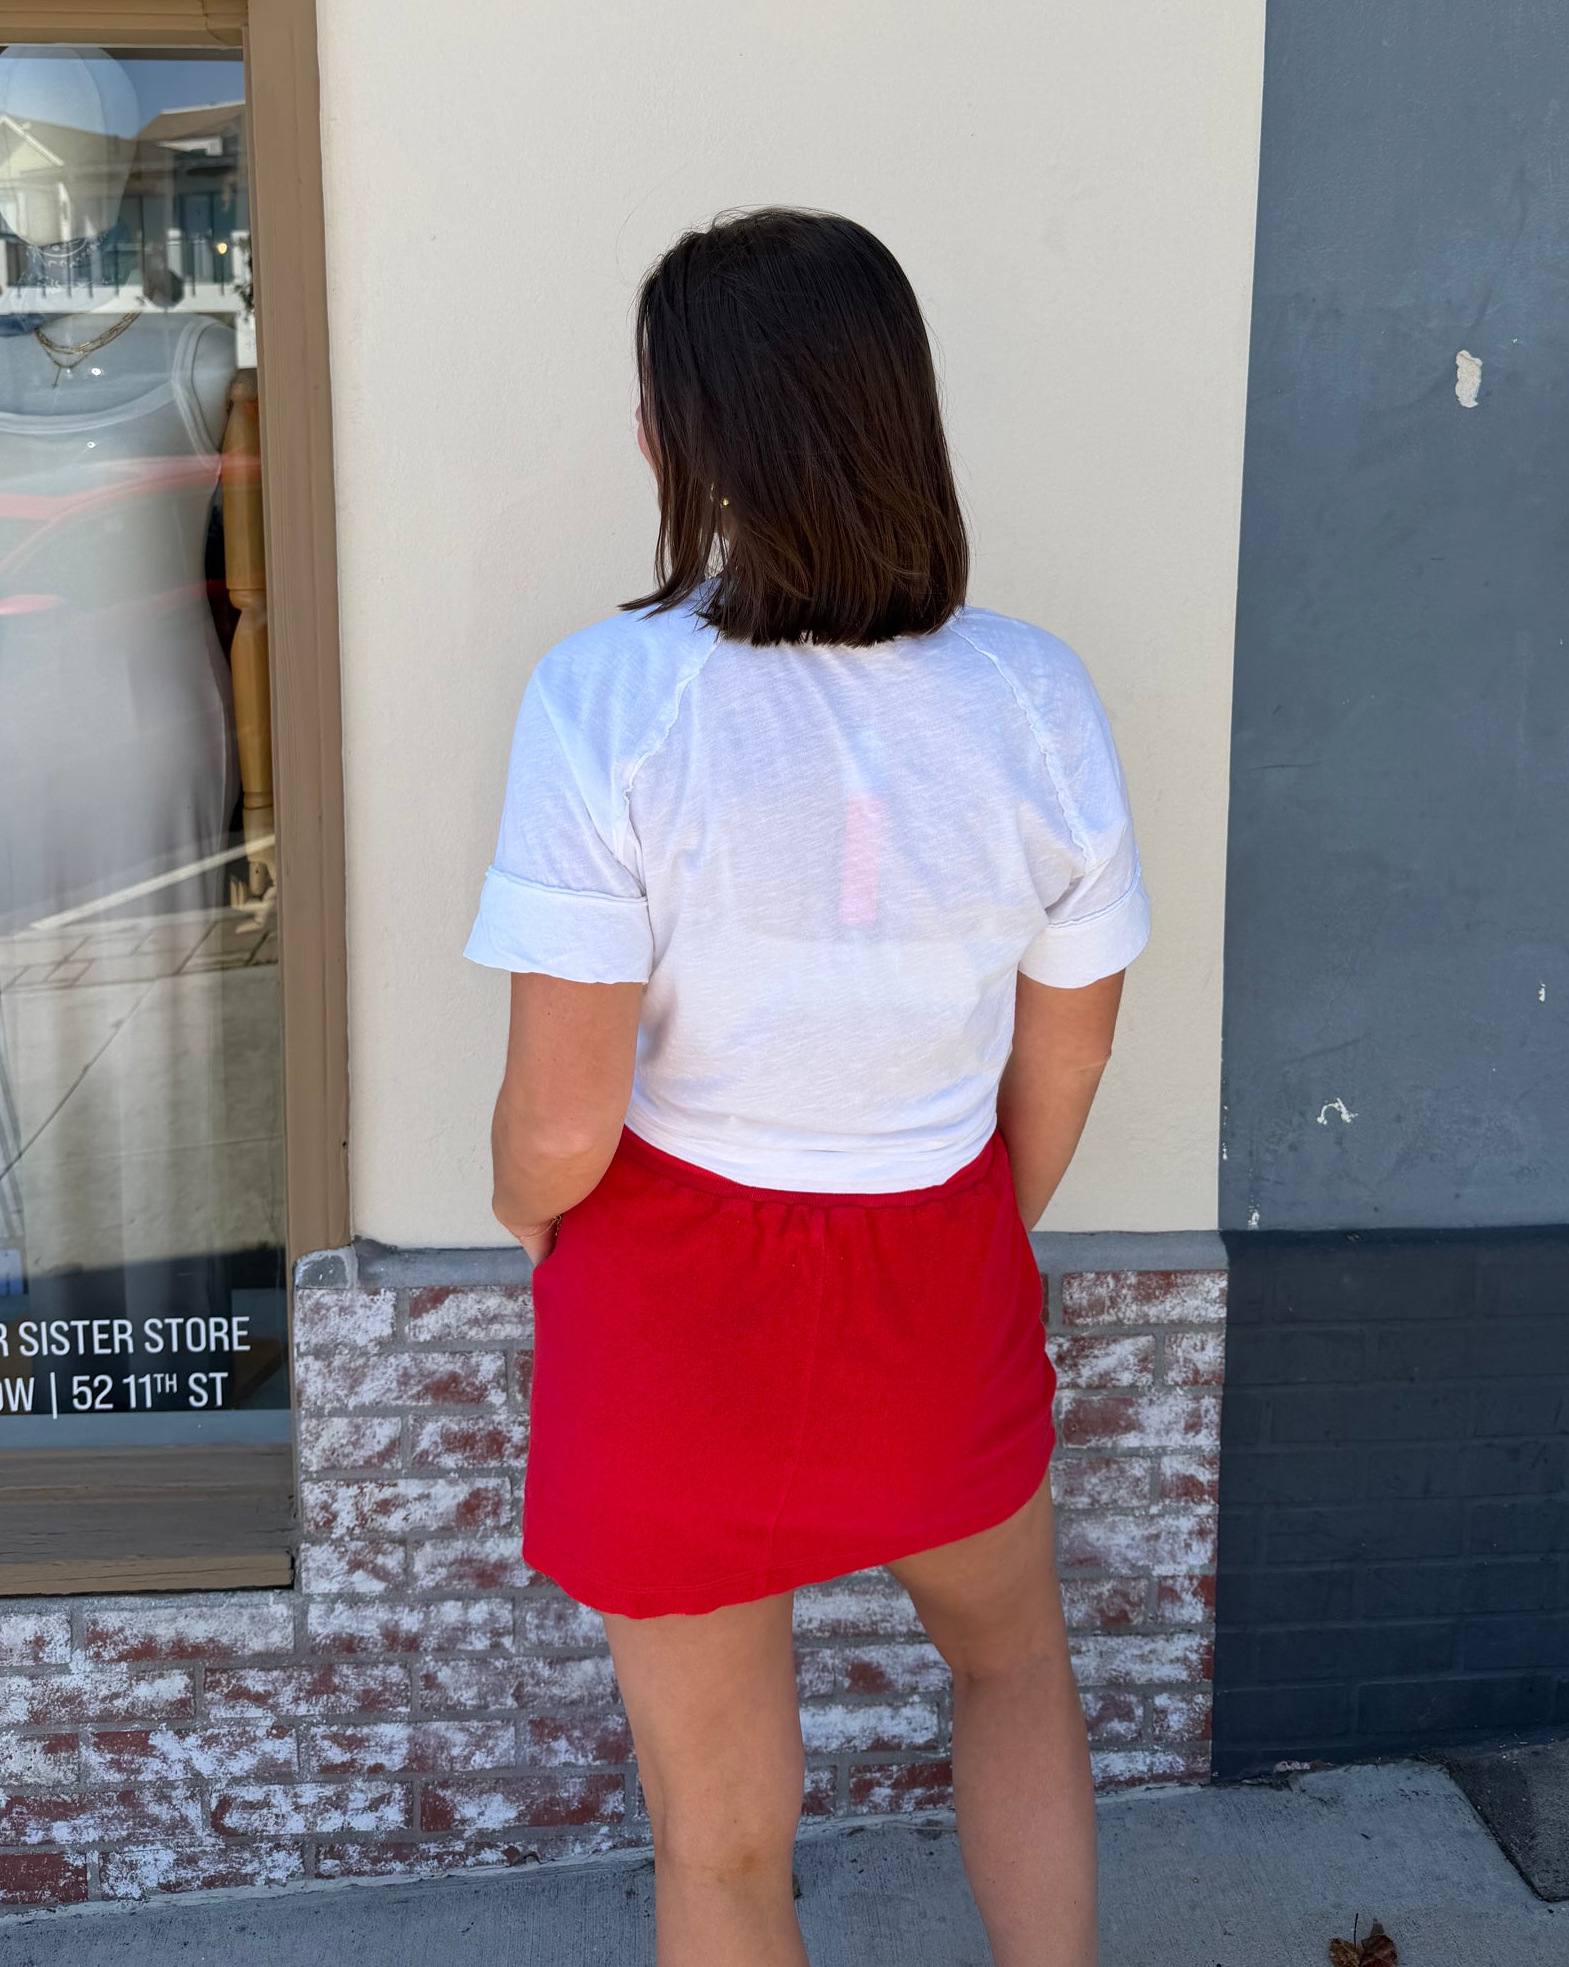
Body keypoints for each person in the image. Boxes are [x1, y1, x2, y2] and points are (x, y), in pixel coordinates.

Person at [465, 209, 1150, 1967]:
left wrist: (529, 1220)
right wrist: (977, 1228)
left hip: (672, 1294)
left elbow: (560, 1120)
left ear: (682, 440)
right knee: (1011, 1669)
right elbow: (1066, 1045)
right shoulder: (1035, 697)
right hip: (933, 1256)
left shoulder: (604, 698)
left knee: (719, 1838)